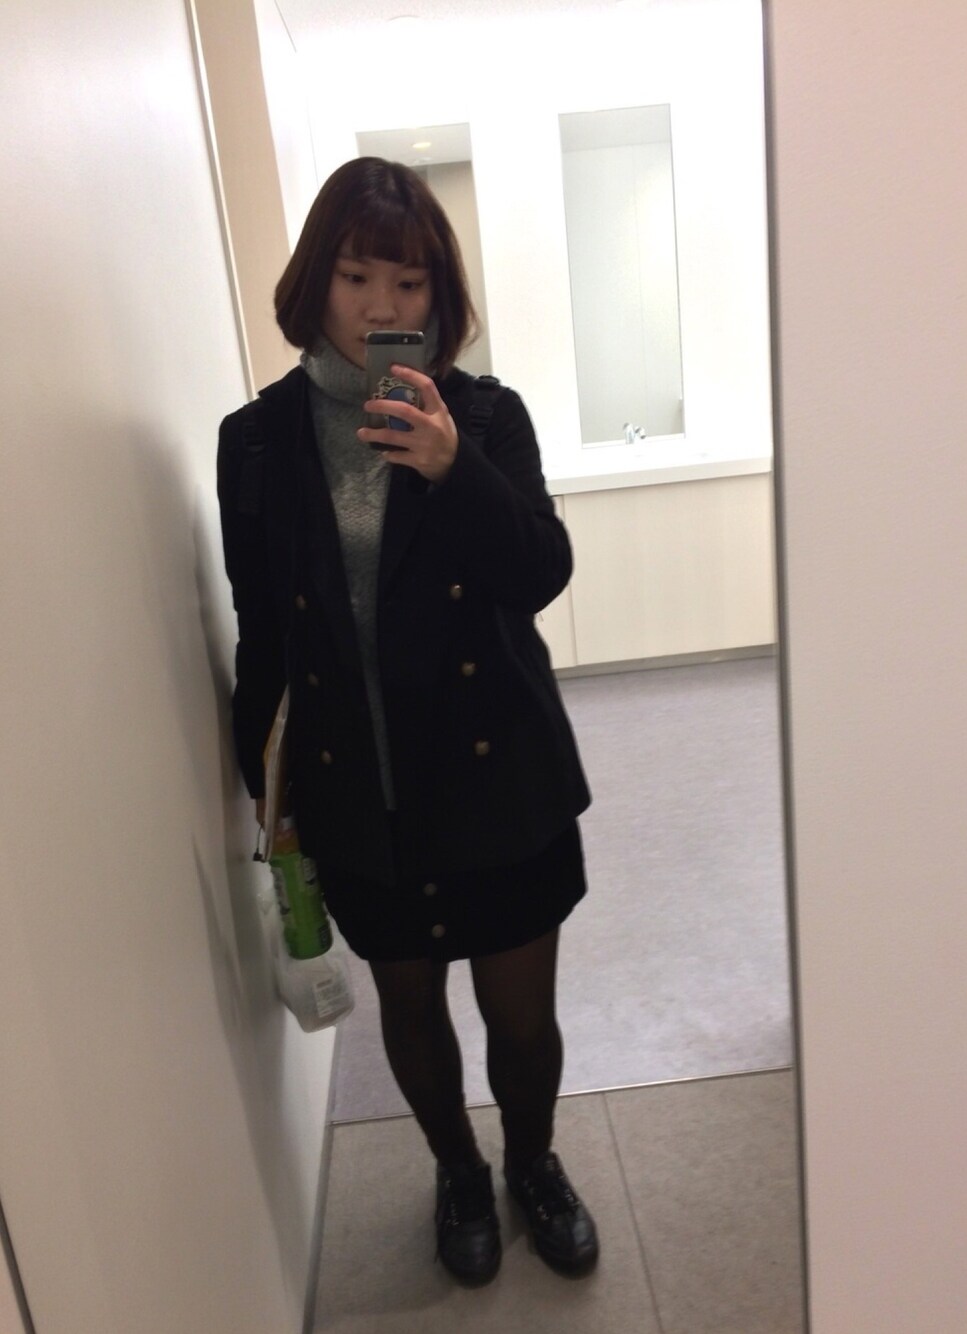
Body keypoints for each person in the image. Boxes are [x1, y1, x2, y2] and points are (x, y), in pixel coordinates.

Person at [217, 157, 598, 1286]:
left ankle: (532, 1161)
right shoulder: (258, 440)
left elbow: (539, 570)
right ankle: (459, 1172)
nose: (382, 305)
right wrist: (265, 794)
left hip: (499, 774)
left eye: (409, 281)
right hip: (360, 784)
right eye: (355, 277)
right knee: (411, 1004)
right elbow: (261, 627)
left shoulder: (484, 416)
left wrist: (452, 467)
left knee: (520, 1018)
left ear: (440, 292)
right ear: (316, 283)